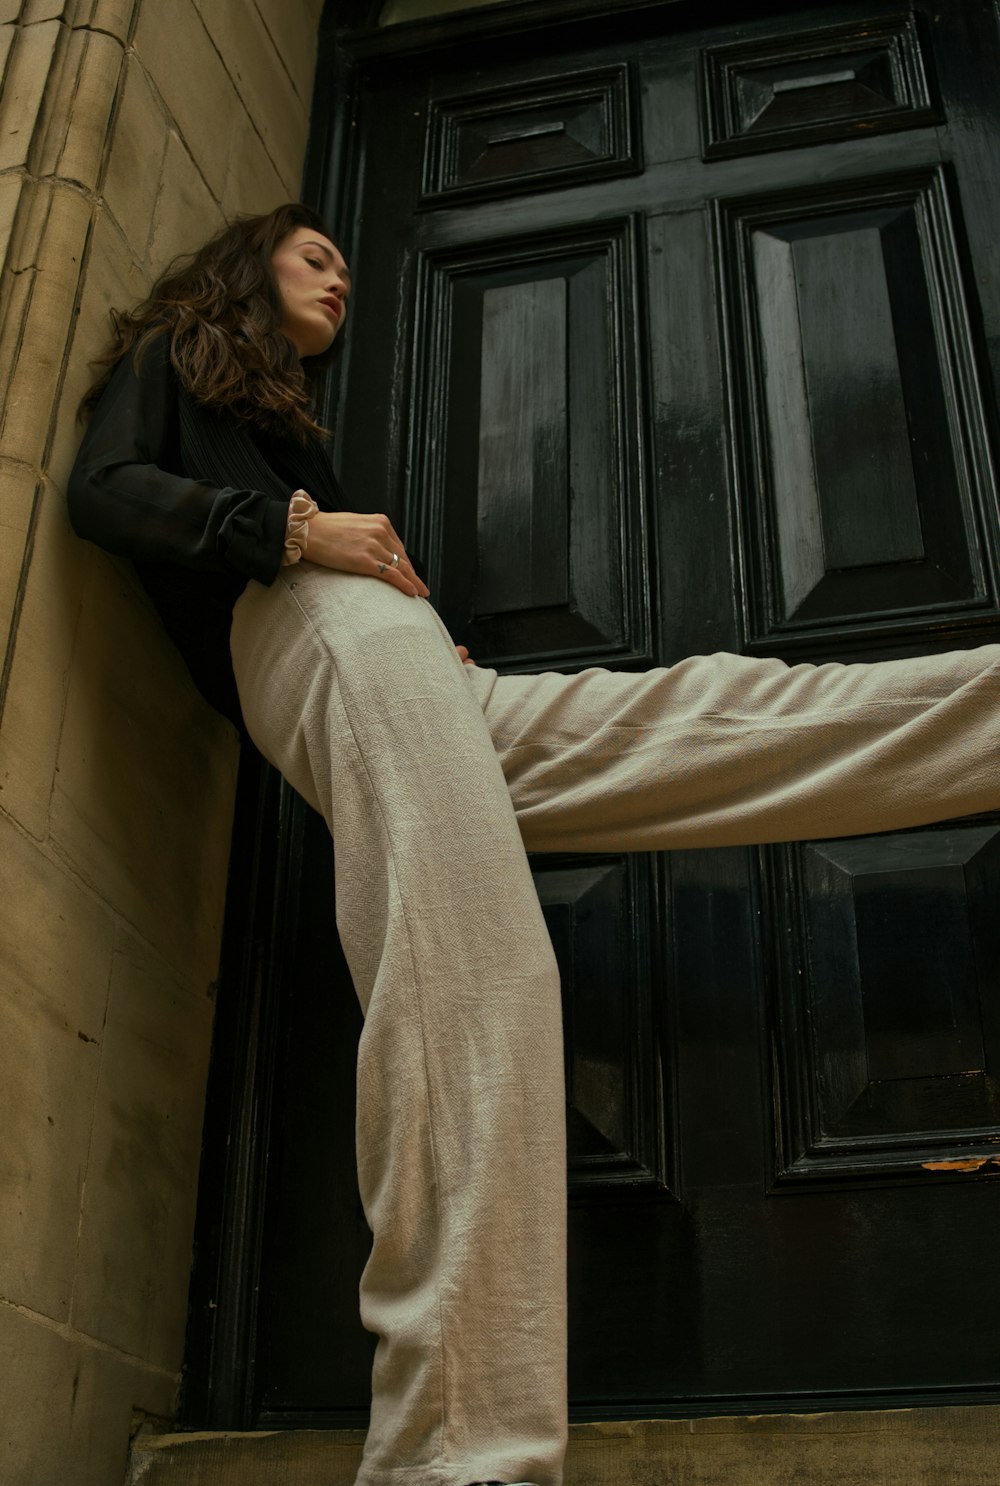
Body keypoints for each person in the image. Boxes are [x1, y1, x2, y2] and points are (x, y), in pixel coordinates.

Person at [68, 202, 1000, 1486]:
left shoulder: (279, 412)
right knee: (473, 969)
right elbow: (102, 492)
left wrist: (414, 632)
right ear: (244, 265)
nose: (340, 272)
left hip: (404, 660)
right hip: (307, 623)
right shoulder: (176, 351)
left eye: (343, 257)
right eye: (313, 253)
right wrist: (288, 531)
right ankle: (458, 1461)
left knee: (707, 712)